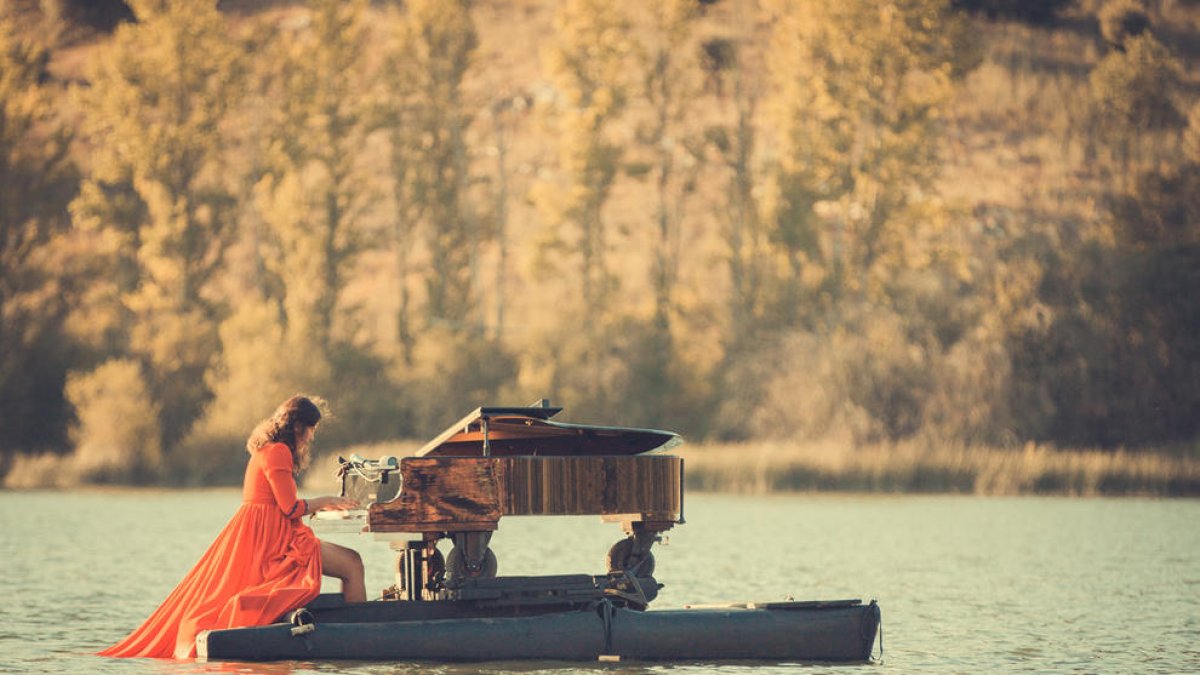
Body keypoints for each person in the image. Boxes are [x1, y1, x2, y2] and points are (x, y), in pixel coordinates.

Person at [98, 395, 365, 659]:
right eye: (311, 430)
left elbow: (282, 505)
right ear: (298, 427)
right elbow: (290, 508)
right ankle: (359, 642)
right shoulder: (279, 452)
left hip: (270, 535)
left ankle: (349, 634)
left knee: (351, 563)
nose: (310, 437)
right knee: (352, 564)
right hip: (276, 544)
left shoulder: (268, 448)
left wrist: (321, 506)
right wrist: (327, 500)